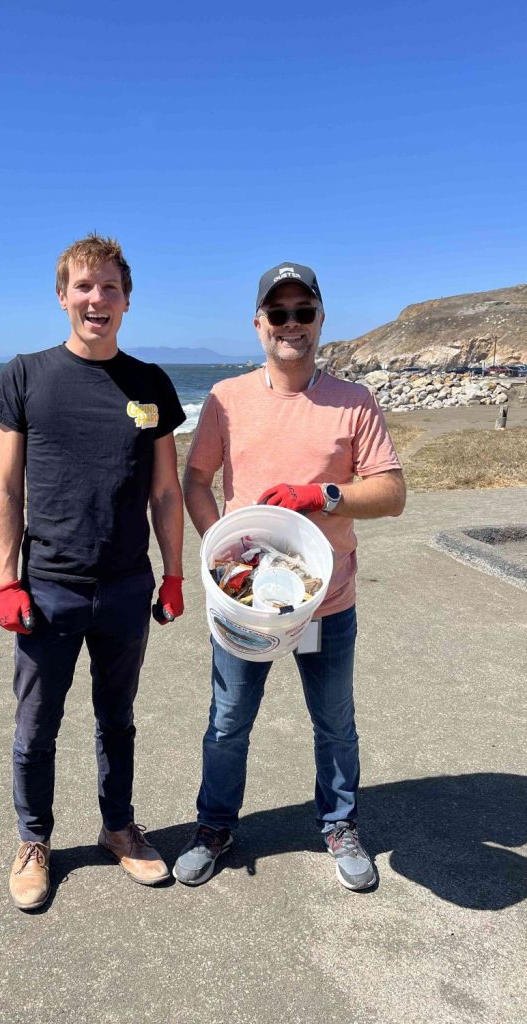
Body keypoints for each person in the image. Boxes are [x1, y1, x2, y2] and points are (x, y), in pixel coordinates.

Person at [174, 262, 406, 890]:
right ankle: (215, 825)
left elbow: (391, 493)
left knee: (334, 720)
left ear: (321, 320)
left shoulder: (354, 400)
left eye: (304, 312)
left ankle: (339, 823)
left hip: (325, 600)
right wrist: (218, 550)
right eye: (279, 314)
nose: (292, 324)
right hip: (245, 601)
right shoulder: (226, 398)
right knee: (228, 721)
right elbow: (195, 480)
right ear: (259, 325)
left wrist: (322, 494)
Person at [0, 234, 186, 910]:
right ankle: (34, 841)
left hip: (128, 585)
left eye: (108, 288)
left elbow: (166, 490)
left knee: (117, 719)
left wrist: (176, 573)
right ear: (63, 295)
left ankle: (119, 830)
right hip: (47, 587)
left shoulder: (151, 384)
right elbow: (5, 487)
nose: (96, 299)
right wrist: (5, 580)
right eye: (83, 286)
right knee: (36, 726)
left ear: (126, 300)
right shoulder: (25, 376)